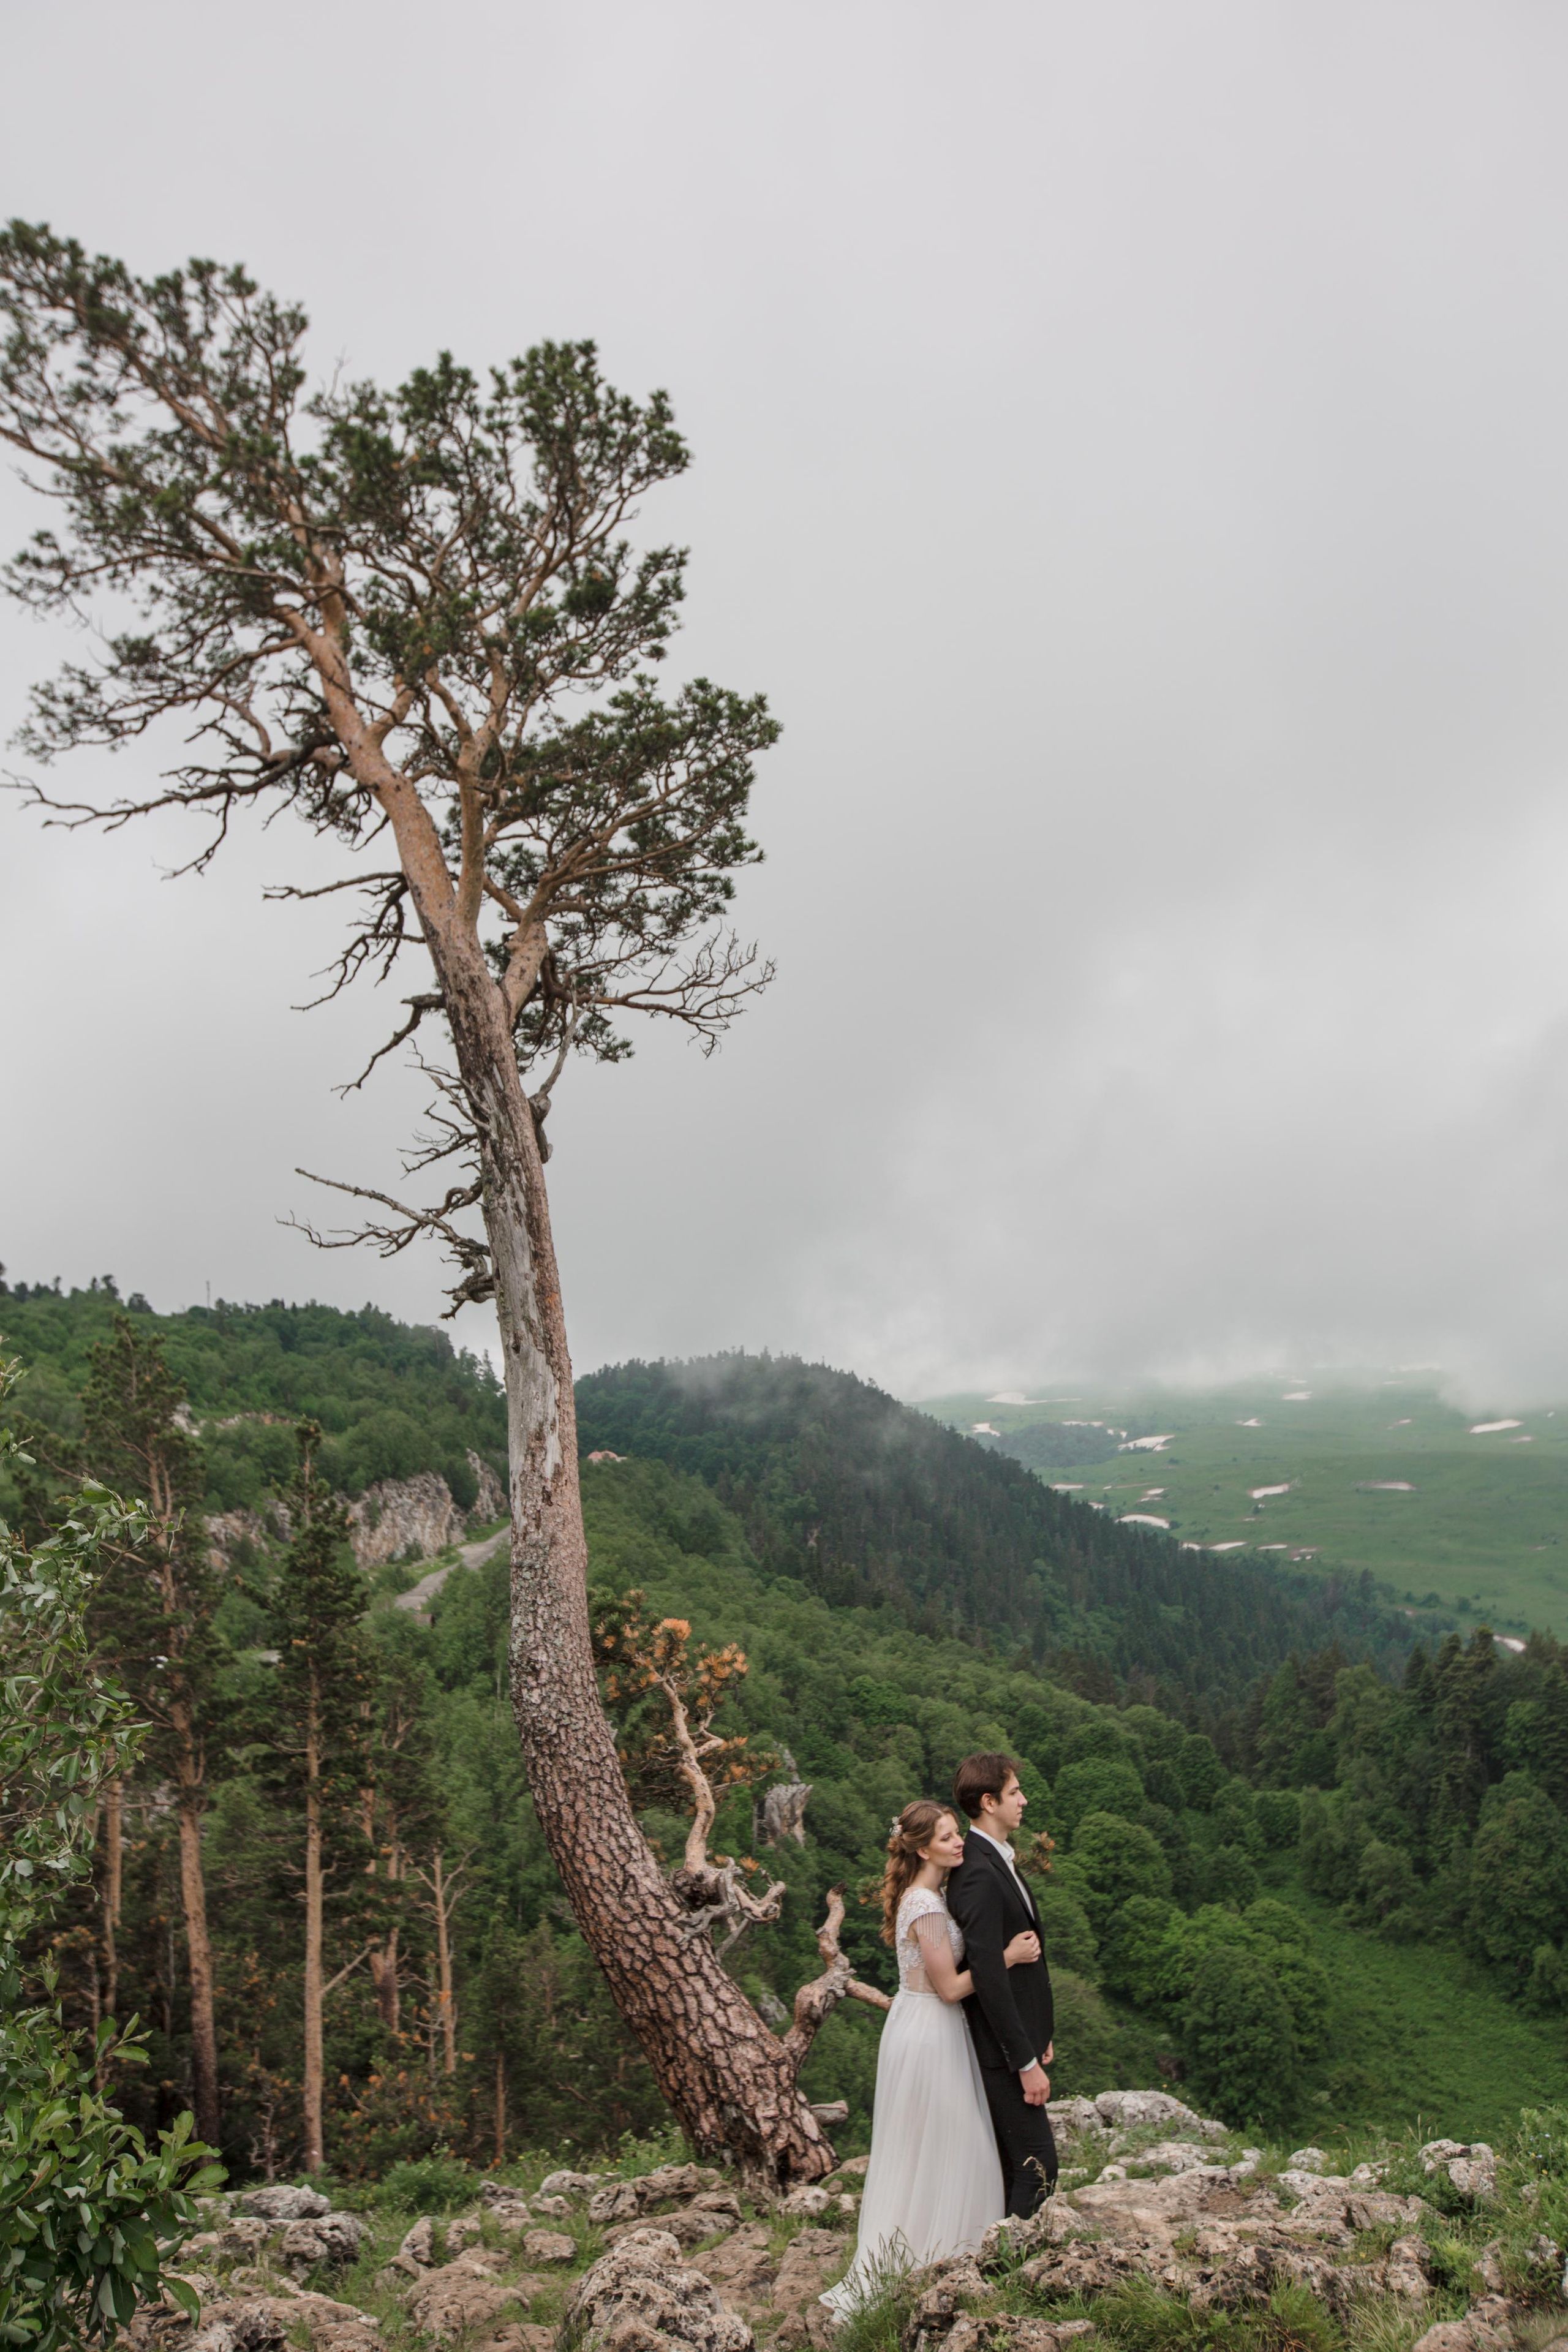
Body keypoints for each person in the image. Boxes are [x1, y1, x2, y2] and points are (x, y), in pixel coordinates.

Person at [821, 1800, 1041, 2316]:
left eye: (953, 1833)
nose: (957, 1842)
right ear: (922, 1849)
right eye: (945, 1838)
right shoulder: (925, 1905)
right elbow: (948, 1988)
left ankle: (931, 2251)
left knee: (933, 2145)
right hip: (930, 2029)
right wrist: (1006, 1958)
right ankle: (938, 2254)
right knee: (955, 2140)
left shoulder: (930, 1896)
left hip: (923, 2026)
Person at [944, 1752, 1058, 2218]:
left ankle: (1003, 2271)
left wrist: (1039, 2034)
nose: (1024, 1801)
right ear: (989, 1802)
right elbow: (989, 1976)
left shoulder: (995, 1859)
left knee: (1017, 2167)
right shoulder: (976, 1872)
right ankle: (1009, 2271)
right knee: (1038, 2167)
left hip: (1017, 2045)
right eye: (1015, 1793)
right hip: (1002, 2056)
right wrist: (1025, 2060)